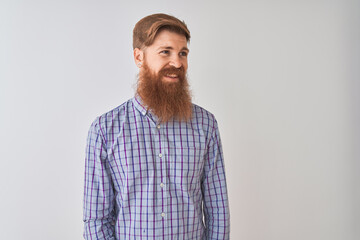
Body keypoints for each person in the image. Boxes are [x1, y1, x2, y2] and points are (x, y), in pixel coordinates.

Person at [83, 13, 230, 240]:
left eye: (183, 53)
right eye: (165, 52)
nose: (177, 62)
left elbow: (217, 211)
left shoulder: (205, 125)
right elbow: (97, 220)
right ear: (138, 57)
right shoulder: (104, 130)